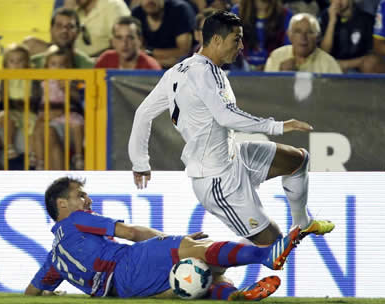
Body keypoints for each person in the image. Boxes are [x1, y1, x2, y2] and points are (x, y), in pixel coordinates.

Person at [128, 11, 334, 248]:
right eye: (236, 39)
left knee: (297, 160)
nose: (242, 46)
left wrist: (140, 163)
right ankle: (208, 270)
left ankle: (302, 223)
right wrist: (278, 126)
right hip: (217, 178)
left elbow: (143, 113)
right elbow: (226, 116)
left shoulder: (177, 71)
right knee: (274, 248)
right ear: (216, 40)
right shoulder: (206, 73)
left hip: (233, 156)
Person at [25, 176, 302, 300]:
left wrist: (52, 291)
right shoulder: (75, 219)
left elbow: (32, 291)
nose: (88, 199)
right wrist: (175, 241)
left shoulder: (53, 259)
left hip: (119, 293)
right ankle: (266, 255)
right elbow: (131, 233)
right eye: (80, 195)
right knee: (197, 249)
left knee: (200, 279)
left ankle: (233, 296)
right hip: (127, 264)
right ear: (62, 205)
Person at [0, 43, 38, 170]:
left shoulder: (33, 79)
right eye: (12, 61)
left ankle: (32, 154)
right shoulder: (5, 80)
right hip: (10, 116)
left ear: (27, 64)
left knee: (35, 126)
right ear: (6, 65)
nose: (16, 65)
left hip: (29, 118)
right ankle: (9, 148)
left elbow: (36, 100)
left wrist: (24, 104)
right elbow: (3, 101)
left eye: (20, 61)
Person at [33, 46, 85, 170]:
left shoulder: (72, 81)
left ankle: (78, 156)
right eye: (53, 64)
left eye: (62, 65)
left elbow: (79, 99)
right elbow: (39, 104)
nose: (58, 68)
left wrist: (68, 88)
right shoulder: (43, 83)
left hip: (69, 116)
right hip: (49, 118)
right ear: (46, 67)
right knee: (39, 128)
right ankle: (38, 160)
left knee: (78, 124)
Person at [264, 13, 342, 73]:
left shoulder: (329, 63)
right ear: (289, 36)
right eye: (298, 32)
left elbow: (337, 92)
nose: (303, 37)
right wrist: (281, 75)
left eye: (309, 32)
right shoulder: (277, 56)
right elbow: (267, 90)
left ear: (318, 37)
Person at [132, 0, 196, 68]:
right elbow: (136, 50)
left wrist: (150, 53)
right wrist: (155, 62)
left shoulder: (179, 10)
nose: (149, 1)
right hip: (149, 69)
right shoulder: (137, 13)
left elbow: (184, 52)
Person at [231, 0, 293, 71]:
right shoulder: (237, 11)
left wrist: (270, 65)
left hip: (273, 69)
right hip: (241, 69)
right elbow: (230, 44)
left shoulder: (285, 14)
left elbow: (288, 48)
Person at [24, 8, 94, 69]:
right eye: (59, 25)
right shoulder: (32, 65)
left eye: (70, 26)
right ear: (51, 30)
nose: (64, 30)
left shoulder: (89, 67)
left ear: (78, 32)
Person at [319, 0, 375, 73]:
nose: (338, 1)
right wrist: (332, 22)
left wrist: (346, 64)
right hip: (331, 70)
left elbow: (372, 58)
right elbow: (324, 53)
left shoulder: (367, 19)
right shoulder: (325, 17)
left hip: (359, 70)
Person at [94, 16, 162, 70]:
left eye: (130, 37)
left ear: (140, 40)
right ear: (113, 42)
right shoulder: (106, 60)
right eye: (119, 37)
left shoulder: (151, 67)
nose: (124, 43)